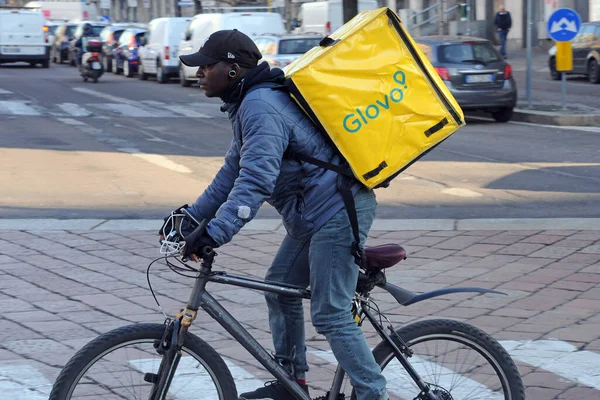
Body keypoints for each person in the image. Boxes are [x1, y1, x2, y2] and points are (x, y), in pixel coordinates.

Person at [175, 29, 389, 400]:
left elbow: (256, 181)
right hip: (314, 214)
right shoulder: (249, 103)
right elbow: (232, 173)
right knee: (279, 289)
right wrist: (190, 219)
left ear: (232, 69)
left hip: (337, 212)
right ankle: (292, 384)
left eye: (206, 66)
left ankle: (374, 394)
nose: (199, 73)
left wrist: (215, 233)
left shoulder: (260, 106)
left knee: (330, 313)